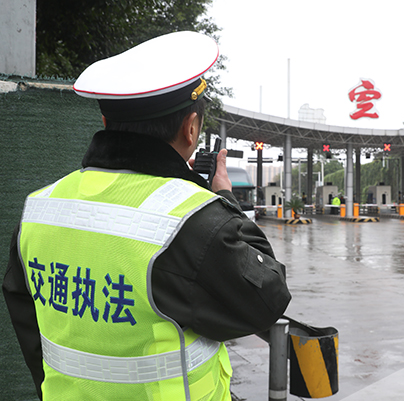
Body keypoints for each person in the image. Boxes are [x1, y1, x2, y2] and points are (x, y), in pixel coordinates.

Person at [2, 31, 291, 401]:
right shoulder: (192, 223)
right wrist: (223, 199)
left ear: (106, 124)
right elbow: (267, 298)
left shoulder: (39, 209)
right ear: (191, 129)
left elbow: (30, 330)